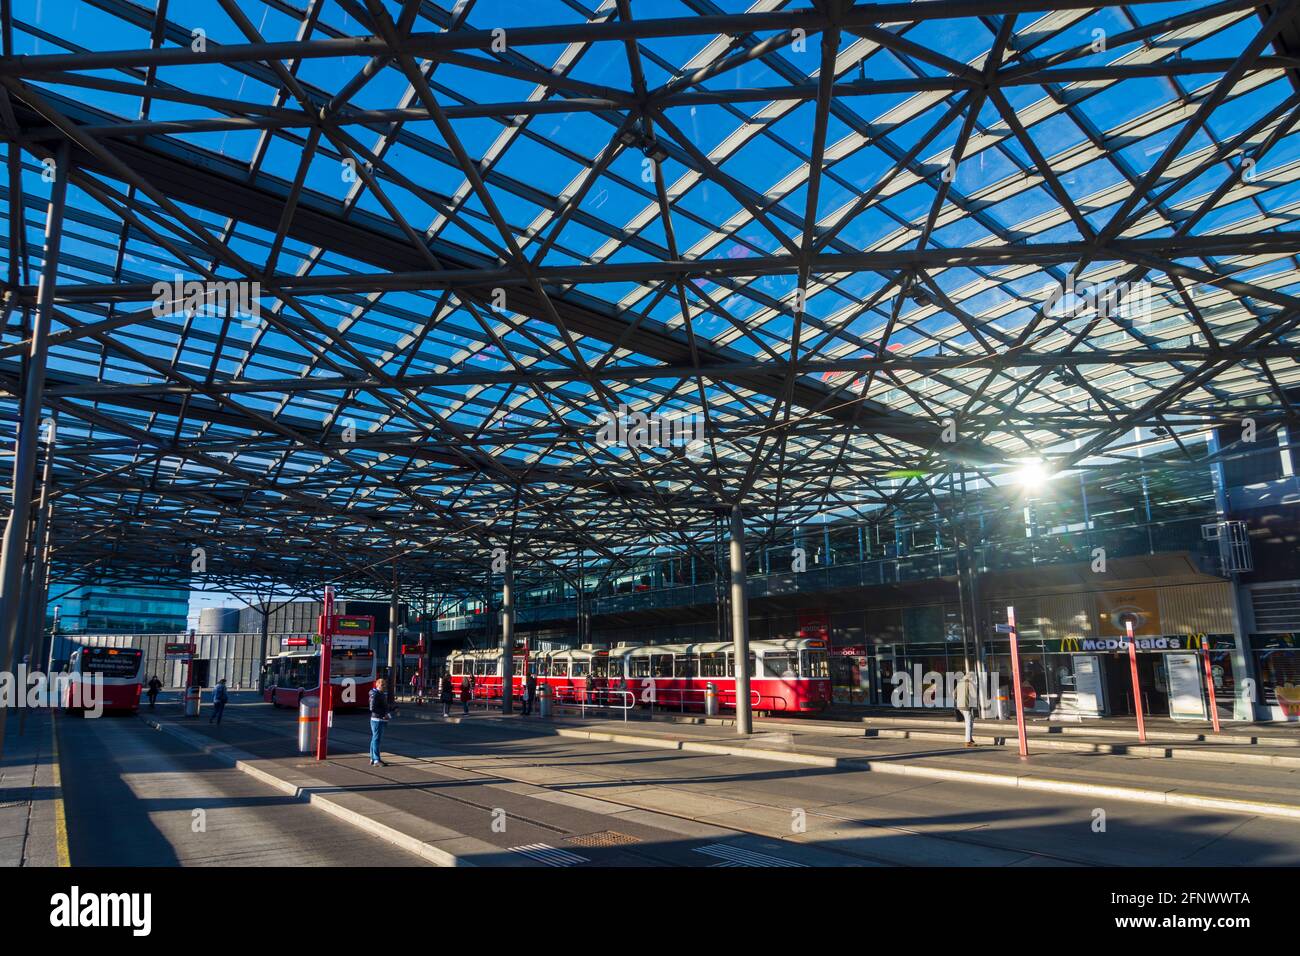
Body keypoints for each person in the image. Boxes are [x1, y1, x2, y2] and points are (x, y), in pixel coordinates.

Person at [369, 677, 394, 766]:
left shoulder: (381, 693)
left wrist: (392, 709)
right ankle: (376, 760)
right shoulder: (375, 694)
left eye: (384, 684)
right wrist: (383, 715)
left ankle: (373, 758)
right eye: (382, 684)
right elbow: (372, 708)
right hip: (377, 720)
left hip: (380, 719)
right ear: (377, 685)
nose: (383, 686)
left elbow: (383, 706)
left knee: (375, 739)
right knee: (376, 739)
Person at [954, 670, 978, 747]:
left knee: (970, 720)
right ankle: (968, 741)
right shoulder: (970, 684)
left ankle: (970, 738)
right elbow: (974, 695)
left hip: (959, 705)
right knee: (969, 723)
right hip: (966, 705)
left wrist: (958, 701)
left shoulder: (960, 683)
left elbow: (954, 694)